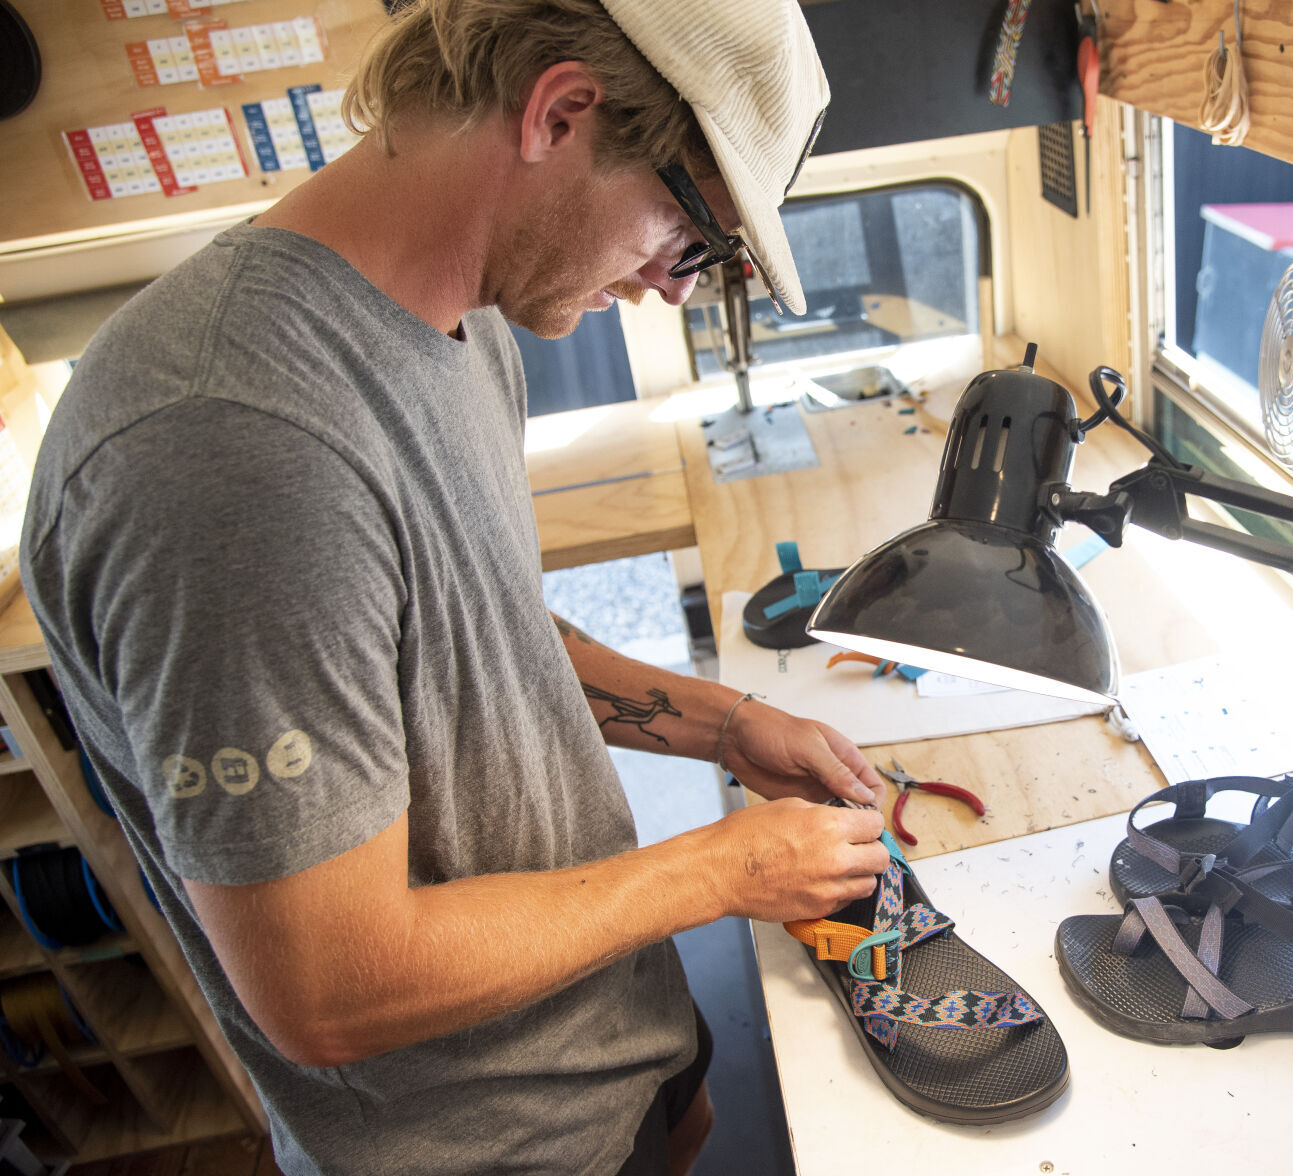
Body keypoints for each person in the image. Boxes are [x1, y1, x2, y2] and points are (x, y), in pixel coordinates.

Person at [19, 1, 890, 1173]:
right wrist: (720, 867)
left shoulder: (465, 324)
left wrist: (724, 726)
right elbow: (329, 989)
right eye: (689, 237)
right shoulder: (230, 447)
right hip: (486, 1145)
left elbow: (476, 637)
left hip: (614, 1034)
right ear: (560, 113)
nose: (676, 291)